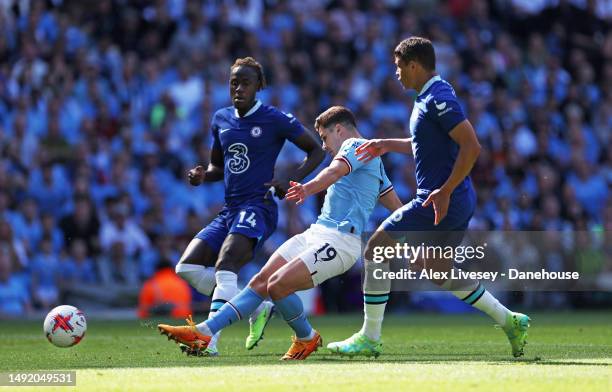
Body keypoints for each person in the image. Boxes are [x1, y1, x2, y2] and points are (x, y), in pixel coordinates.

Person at [327, 37, 531, 358]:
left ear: (414, 65)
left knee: (376, 249)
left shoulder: (437, 97)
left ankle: (370, 336)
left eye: (398, 67)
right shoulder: (427, 98)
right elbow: (423, 142)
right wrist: (385, 144)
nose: (396, 74)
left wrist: (445, 190)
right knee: (434, 269)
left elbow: (472, 146)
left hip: (437, 198)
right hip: (454, 198)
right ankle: (510, 320)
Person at [158, 105, 403, 360]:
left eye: (324, 137)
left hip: (340, 241)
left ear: (339, 130)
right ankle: (204, 332)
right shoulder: (372, 158)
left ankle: (305, 337)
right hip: (316, 233)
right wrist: (414, 217)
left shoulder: (353, 146)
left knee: (278, 286)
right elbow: (392, 201)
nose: (324, 145)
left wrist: (307, 188)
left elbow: (333, 172)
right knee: (260, 282)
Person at [173, 57, 324, 356]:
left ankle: (209, 340)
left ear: (259, 86)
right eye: (234, 83)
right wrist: (204, 174)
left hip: (259, 206)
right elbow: (219, 166)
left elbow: (316, 151)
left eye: (245, 83)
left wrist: (289, 179)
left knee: (226, 263)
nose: (238, 88)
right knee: (186, 267)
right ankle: (253, 305)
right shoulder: (221, 119)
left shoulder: (274, 118)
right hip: (230, 209)